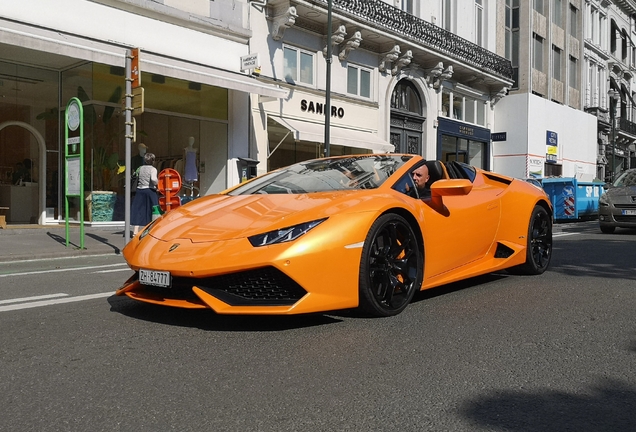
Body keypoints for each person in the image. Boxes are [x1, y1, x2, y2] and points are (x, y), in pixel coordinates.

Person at [130, 152, 159, 236]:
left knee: (139, 210)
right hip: (149, 190)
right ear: (153, 160)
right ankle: (151, 229)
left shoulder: (140, 168)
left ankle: (135, 231)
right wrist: (158, 183)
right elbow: (153, 179)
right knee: (153, 209)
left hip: (139, 190)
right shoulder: (153, 169)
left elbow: (136, 175)